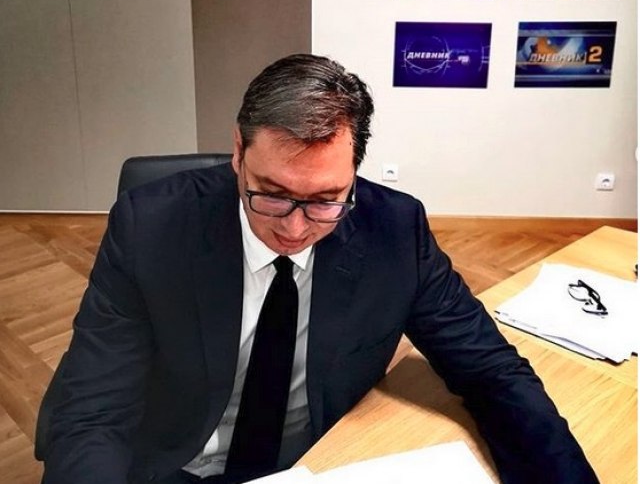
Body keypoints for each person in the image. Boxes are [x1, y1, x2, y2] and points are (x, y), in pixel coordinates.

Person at [42, 54, 598, 484]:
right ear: (237, 151)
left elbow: (491, 372)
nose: (294, 228)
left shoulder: (394, 231)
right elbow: (93, 414)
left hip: (319, 464)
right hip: (176, 466)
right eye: (271, 193)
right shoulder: (151, 226)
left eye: (327, 200)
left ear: (355, 172)